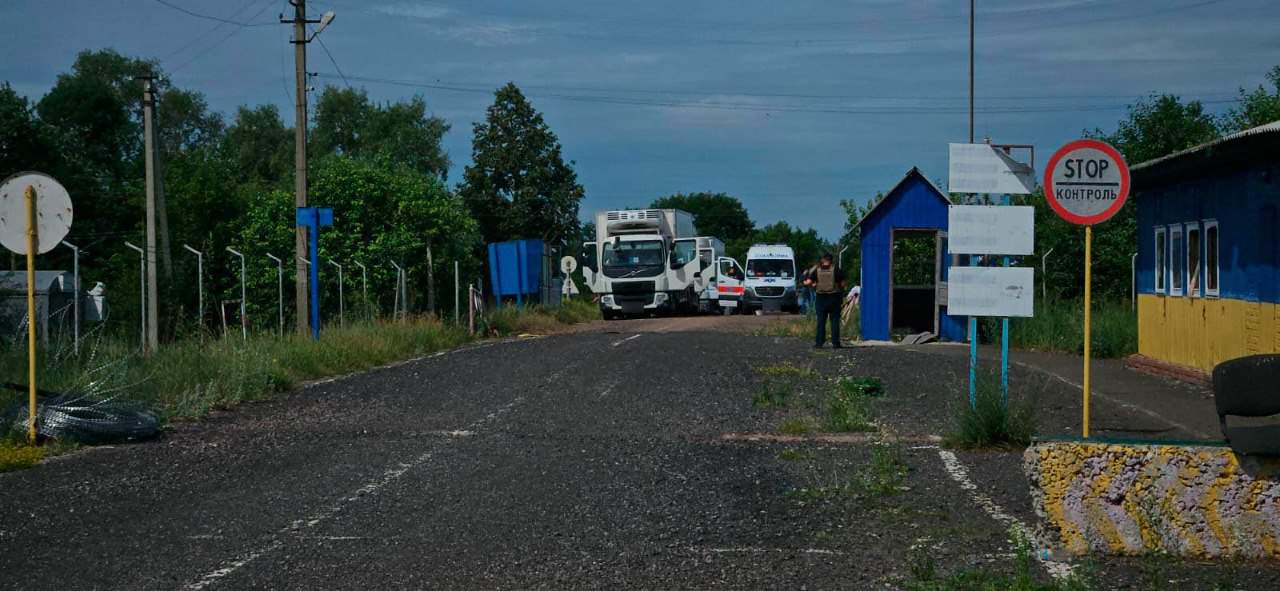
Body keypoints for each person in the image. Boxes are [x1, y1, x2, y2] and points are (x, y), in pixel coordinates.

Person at [802, 253, 847, 348]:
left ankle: (819, 343)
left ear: (823, 260)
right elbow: (843, 284)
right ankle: (835, 343)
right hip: (834, 297)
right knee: (834, 321)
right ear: (831, 260)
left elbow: (808, 282)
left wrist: (806, 282)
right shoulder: (836, 269)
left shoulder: (817, 270)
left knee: (821, 321)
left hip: (821, 298)